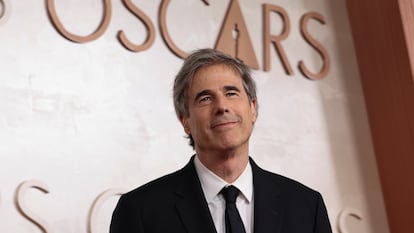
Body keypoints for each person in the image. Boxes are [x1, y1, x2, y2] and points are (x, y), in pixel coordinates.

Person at [110, 48, 332, 233]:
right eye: (205, 98)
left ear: (253, 108)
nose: (222, 106)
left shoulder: (306, 206)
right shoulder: (139, 211)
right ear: (185, 120)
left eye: (231, 93)